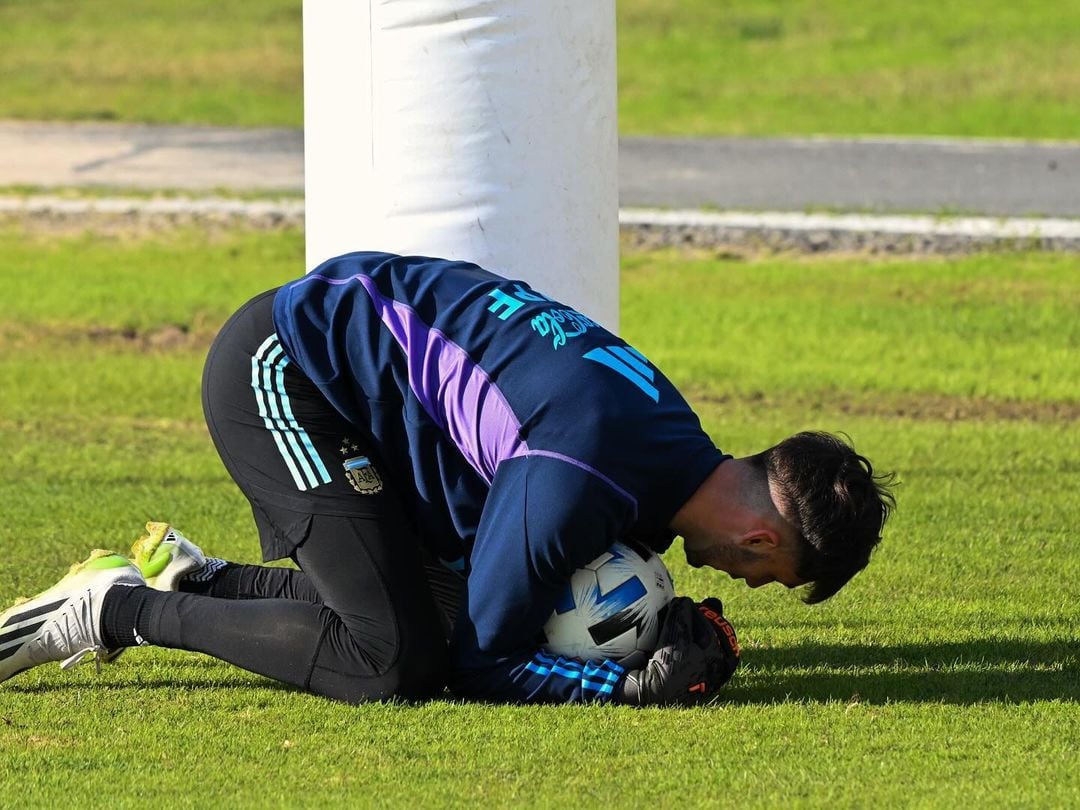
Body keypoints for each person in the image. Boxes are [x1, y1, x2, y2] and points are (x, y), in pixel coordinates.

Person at [0, 251, 895, 705]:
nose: (731, 582)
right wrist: (624, 687)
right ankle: (114, 609)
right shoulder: (582, 467)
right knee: (396, 660)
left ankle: (192, 579)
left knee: (421, 609)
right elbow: (487, 657)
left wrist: (674, 627)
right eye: (760, 576)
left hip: (346, 377)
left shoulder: (670, 441)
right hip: (282, 372)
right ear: (764, 536)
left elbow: (553, 571)